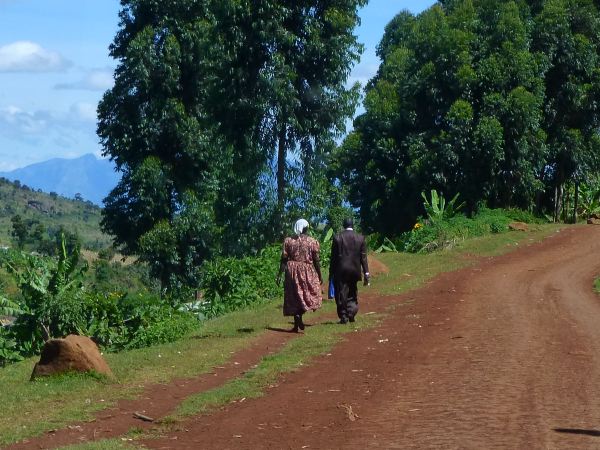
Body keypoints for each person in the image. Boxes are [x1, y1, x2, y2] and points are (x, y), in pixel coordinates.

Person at [277, 218, 323, 332]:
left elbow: (283, 259)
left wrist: (279, 274)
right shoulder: (312, 241)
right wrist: (319, 274)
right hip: (306, 270)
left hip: (291, 270)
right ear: (305, 228)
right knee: (308, 293)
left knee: (294, 295)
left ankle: (297, 320)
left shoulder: (288, 241)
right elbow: (316, 260)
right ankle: (300, 314)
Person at [329, 217, 369, 324]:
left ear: (343, 225)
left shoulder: (337, 238)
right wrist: (366, 273)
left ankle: (344, 316)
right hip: (355, 270)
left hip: (341, 271)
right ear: (353, 225)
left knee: (341, 292)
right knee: (352, 291)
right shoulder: (360, 238)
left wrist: (331, 273)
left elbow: (333, 258)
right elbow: (363, 257)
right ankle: (351, 312)